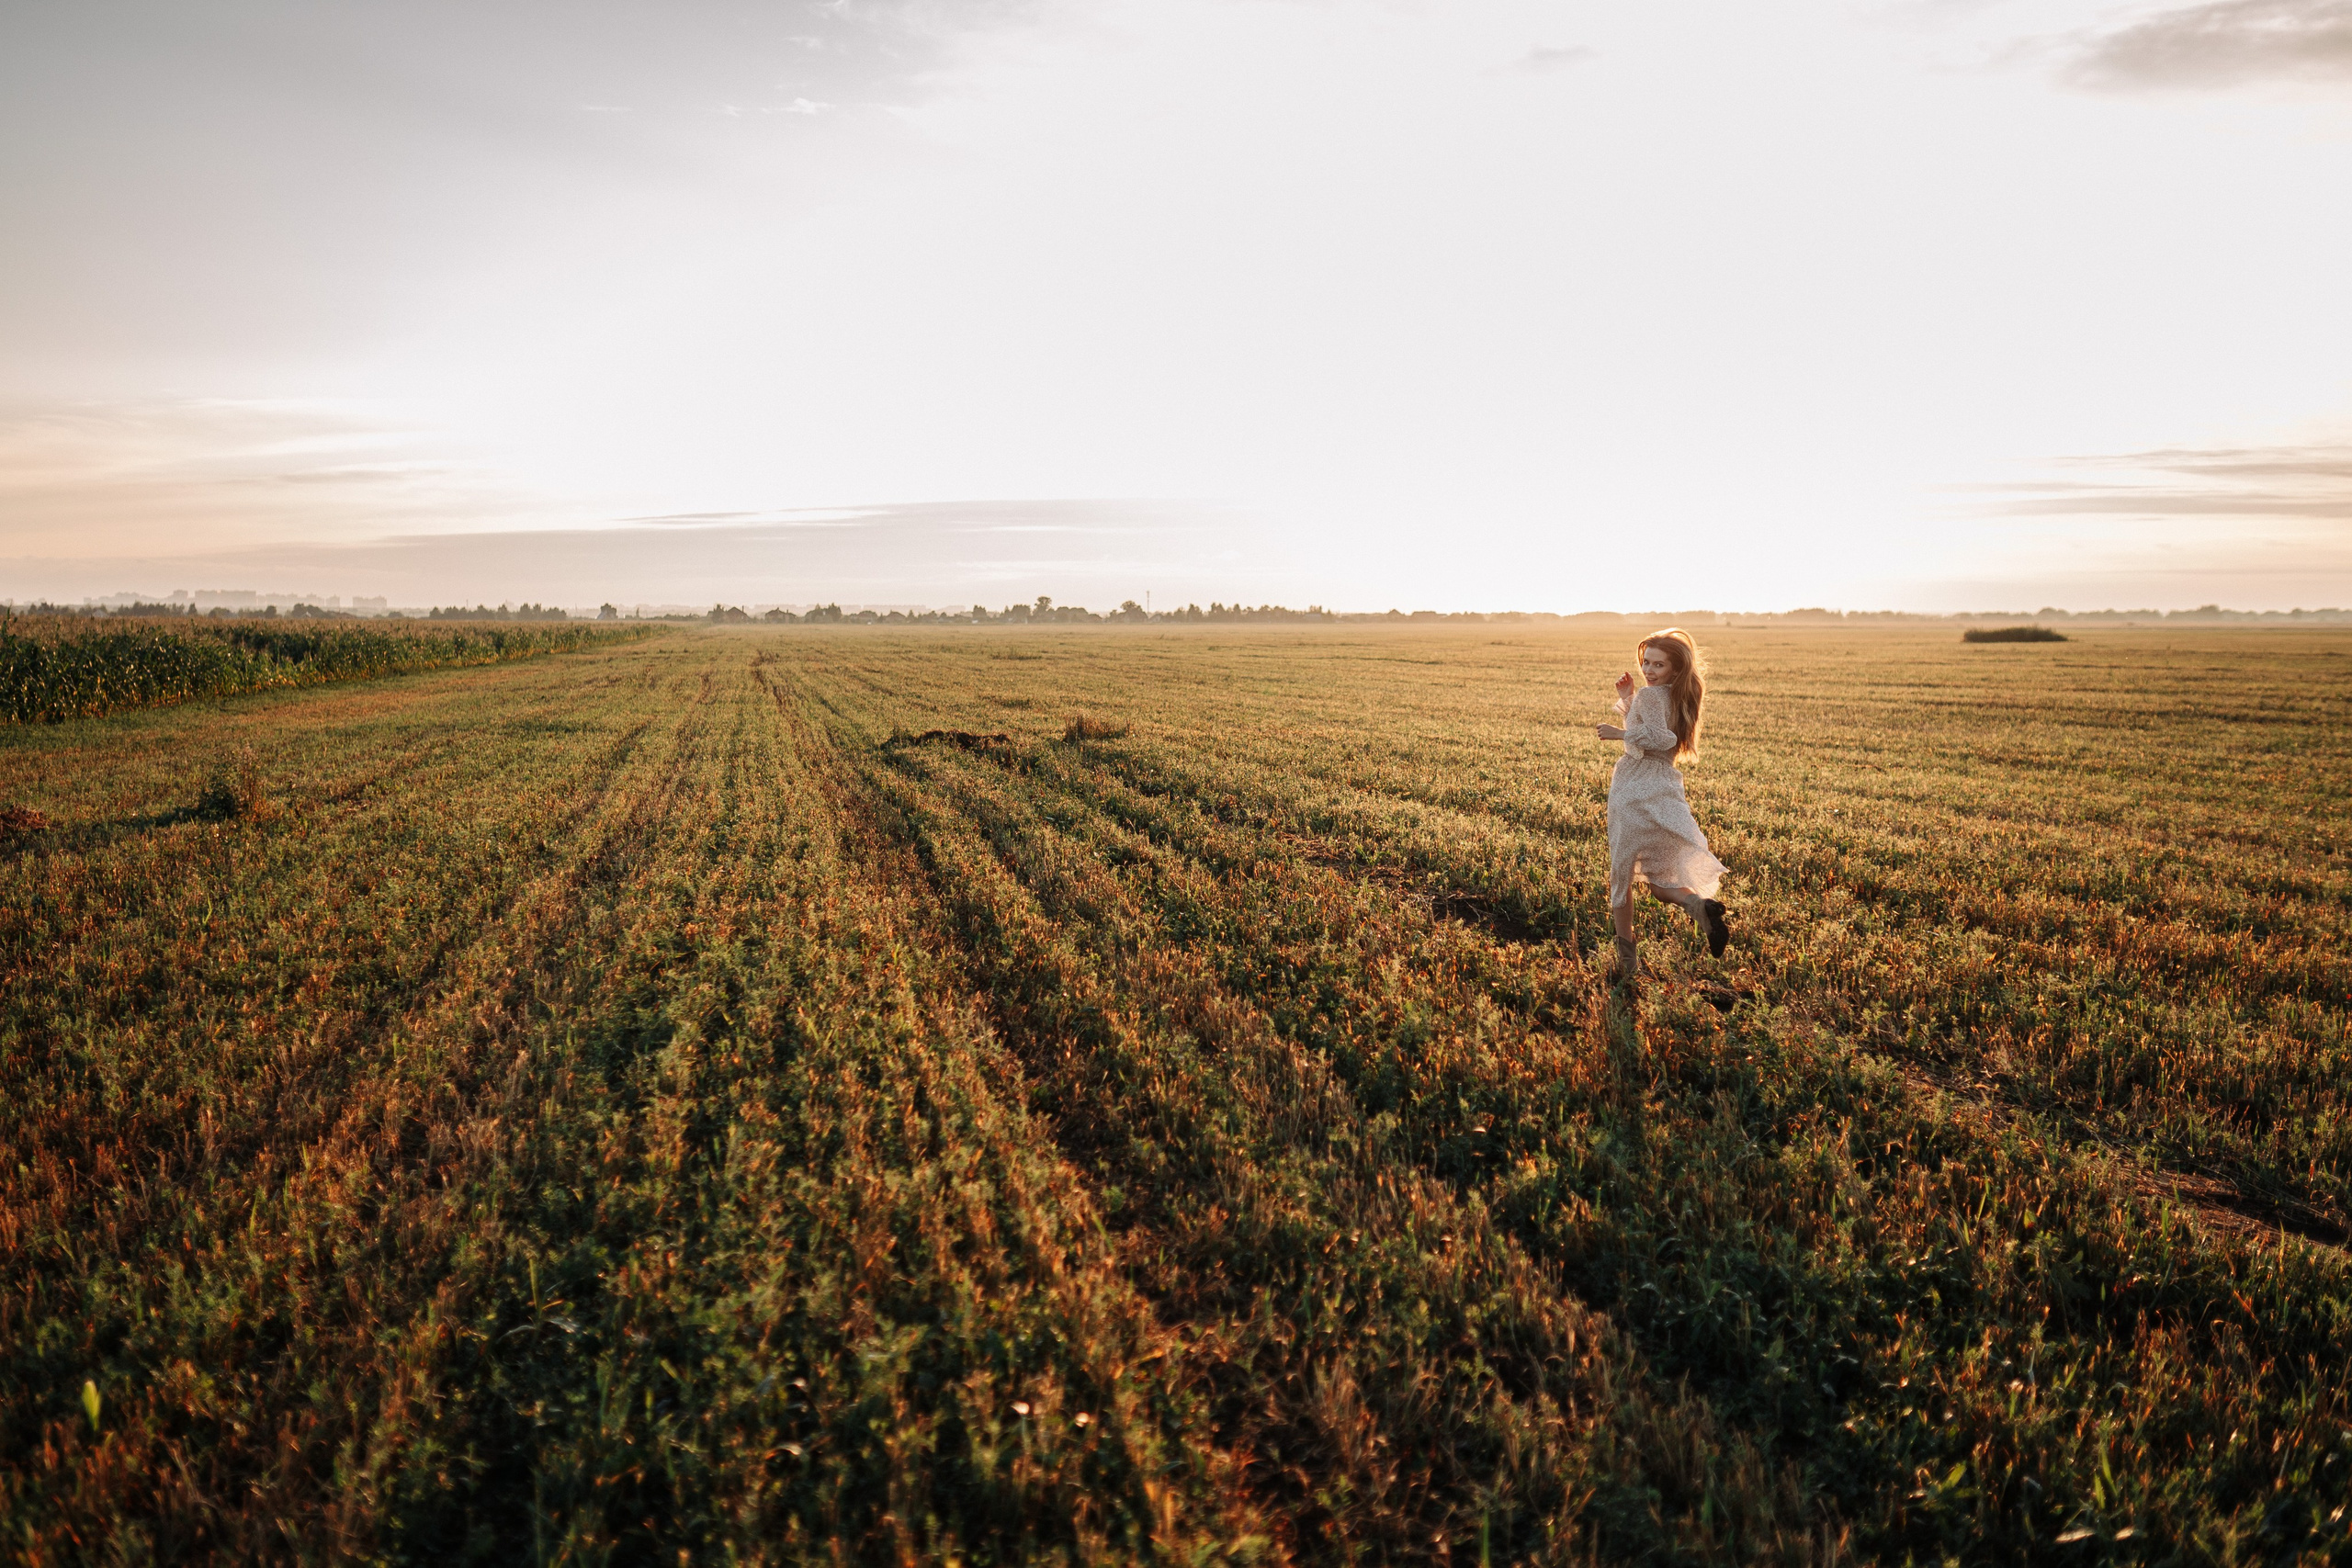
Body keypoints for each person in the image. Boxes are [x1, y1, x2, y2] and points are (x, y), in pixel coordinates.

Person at [1593, 627, 1729, 981]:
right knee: (1657, 881)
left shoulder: (1652, 696)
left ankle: (1626, 964)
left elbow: (1658, 737)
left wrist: (1621, 731)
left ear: (1675, 669)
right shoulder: (1679, 697)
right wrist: (1628, 700)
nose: (1649, 671)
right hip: (1664, 790)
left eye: (1658, 664)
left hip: (1633, 787)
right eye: (1645, 662)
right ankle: (1698, 906)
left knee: (1621, 878)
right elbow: (1657, 733)